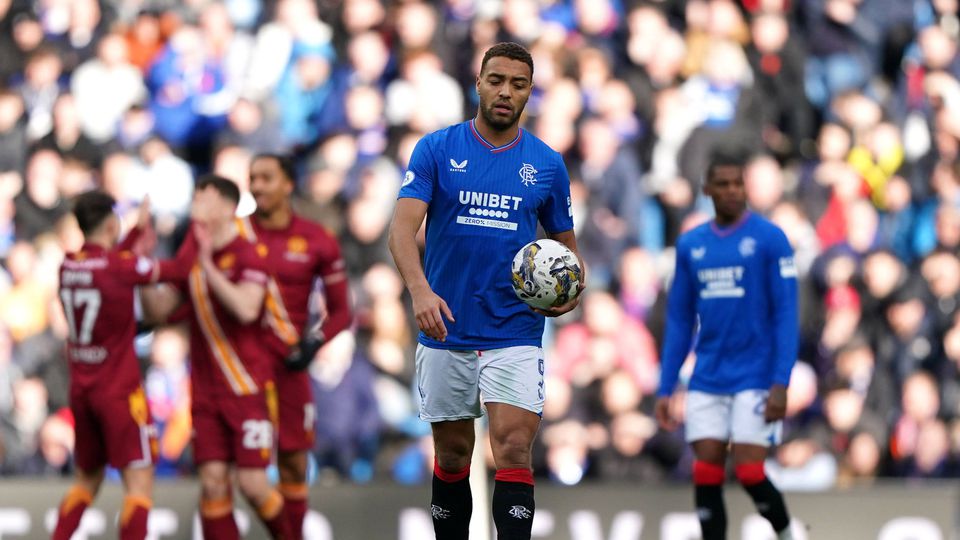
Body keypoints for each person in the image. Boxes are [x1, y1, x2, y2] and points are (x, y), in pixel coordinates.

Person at [387, 42, 583, 540]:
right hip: (446, 323)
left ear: (529, 93)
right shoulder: (437, 148)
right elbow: (400, 230)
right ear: (477, 83)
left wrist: (569, 293)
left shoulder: (546, 164)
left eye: (517, 84)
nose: (504, 91)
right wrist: (420, 291)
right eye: (496, 80)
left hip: (514, 327)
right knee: (453, 455)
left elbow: (566, 248)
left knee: (513, 449)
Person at [655, 148, 799, 540]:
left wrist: (781, 381)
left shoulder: (770, 239)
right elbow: (681, 320)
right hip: (708, 376)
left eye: (739, 183)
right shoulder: (691, 246)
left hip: (756, 375)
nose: (733, 191)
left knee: (751, 471)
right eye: (724, 184)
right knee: (706, 471)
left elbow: (787, 313)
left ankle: (788, 534)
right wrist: (666, 387)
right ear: (708, 189)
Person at [140, 175, 291, 539]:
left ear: (226, 207)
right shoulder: (189, 256)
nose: (195, 202)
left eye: (203, 196)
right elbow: (159, 311)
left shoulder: (247, 253)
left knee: (254, 484)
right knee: (211, 483)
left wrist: (207, 265)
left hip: (247, 387)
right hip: (206, 392)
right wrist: (143, 264)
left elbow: (246, 307)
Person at [52, 191, 186, 540]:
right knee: (139, 484)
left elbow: (111, 260)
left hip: (83, 389)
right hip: (120, 391)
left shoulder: (67, 264)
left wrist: (135, 233)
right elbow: (180, 269)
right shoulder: (120, 267)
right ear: (112, 224)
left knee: (87, 478)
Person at [237, 153, 353, 539]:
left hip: (290, 367)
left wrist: (313, 343)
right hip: (242, 369)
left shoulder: (317, 239)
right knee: (240, 475)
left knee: (292, 463)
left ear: (288, 184)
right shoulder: (236, 234)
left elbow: (342, 312)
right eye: (252, 178)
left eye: (266, 177)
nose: (257, 186)